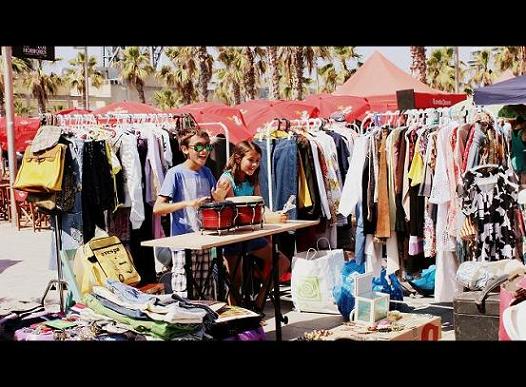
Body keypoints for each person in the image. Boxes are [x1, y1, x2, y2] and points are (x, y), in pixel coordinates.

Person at [153, 128, 229, 297]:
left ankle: (205, 322)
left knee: (206, 291)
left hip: (204, 239)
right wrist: (188, 203)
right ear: (185, 149)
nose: (204, 152)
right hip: (183, 242)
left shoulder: (207, 172)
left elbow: (214, 201)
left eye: (208, 147)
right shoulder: (175, 173)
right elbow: (158, 208)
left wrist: (219, 198)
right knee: (183, 293)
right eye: (199, 147)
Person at [215, 140, 290, 311]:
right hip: (233, 238)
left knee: (282, 262)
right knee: (236, 279)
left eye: (257, 161)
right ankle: (237, 318)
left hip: (251, 235)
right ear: (237, 158)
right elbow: (231, 213)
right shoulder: (226, 180)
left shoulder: (253, 178)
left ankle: (259, 303)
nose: (254, 164)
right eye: (251, 160)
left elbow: (260, 206)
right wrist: (269, 218)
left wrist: (274, 215)